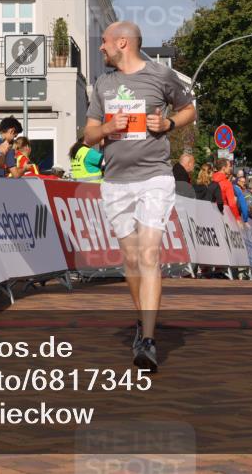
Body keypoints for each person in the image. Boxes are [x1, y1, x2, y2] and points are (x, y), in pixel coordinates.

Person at [84, 20, 196, 372]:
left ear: (122, 43)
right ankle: (142, 318)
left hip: (154, 178)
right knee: (130, 261)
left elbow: (189, 109)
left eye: (103, 42)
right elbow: (88, 136)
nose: (100, 47)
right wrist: (106, 128)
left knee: (150, 254)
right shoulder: (103, 84)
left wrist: (170, 124)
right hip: (116, 182)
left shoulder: (161, 75)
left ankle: (147, 341)